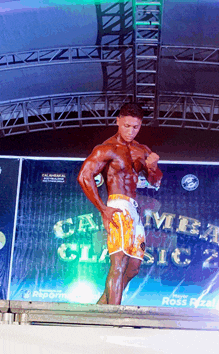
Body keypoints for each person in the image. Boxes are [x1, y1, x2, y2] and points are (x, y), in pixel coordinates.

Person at [77, 103, 162, 305]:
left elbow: (155, 181)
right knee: (119, 262)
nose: (130, 131)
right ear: (118, 122)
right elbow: (84, 176)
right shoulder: (106, 149)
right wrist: (103, 209)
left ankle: (101, 308)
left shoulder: (142, 150)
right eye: (126, 126)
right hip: (117, 205)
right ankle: (112, 317)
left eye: (135, 127)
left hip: (134, 208)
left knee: (133, 267)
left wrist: (152, 167)